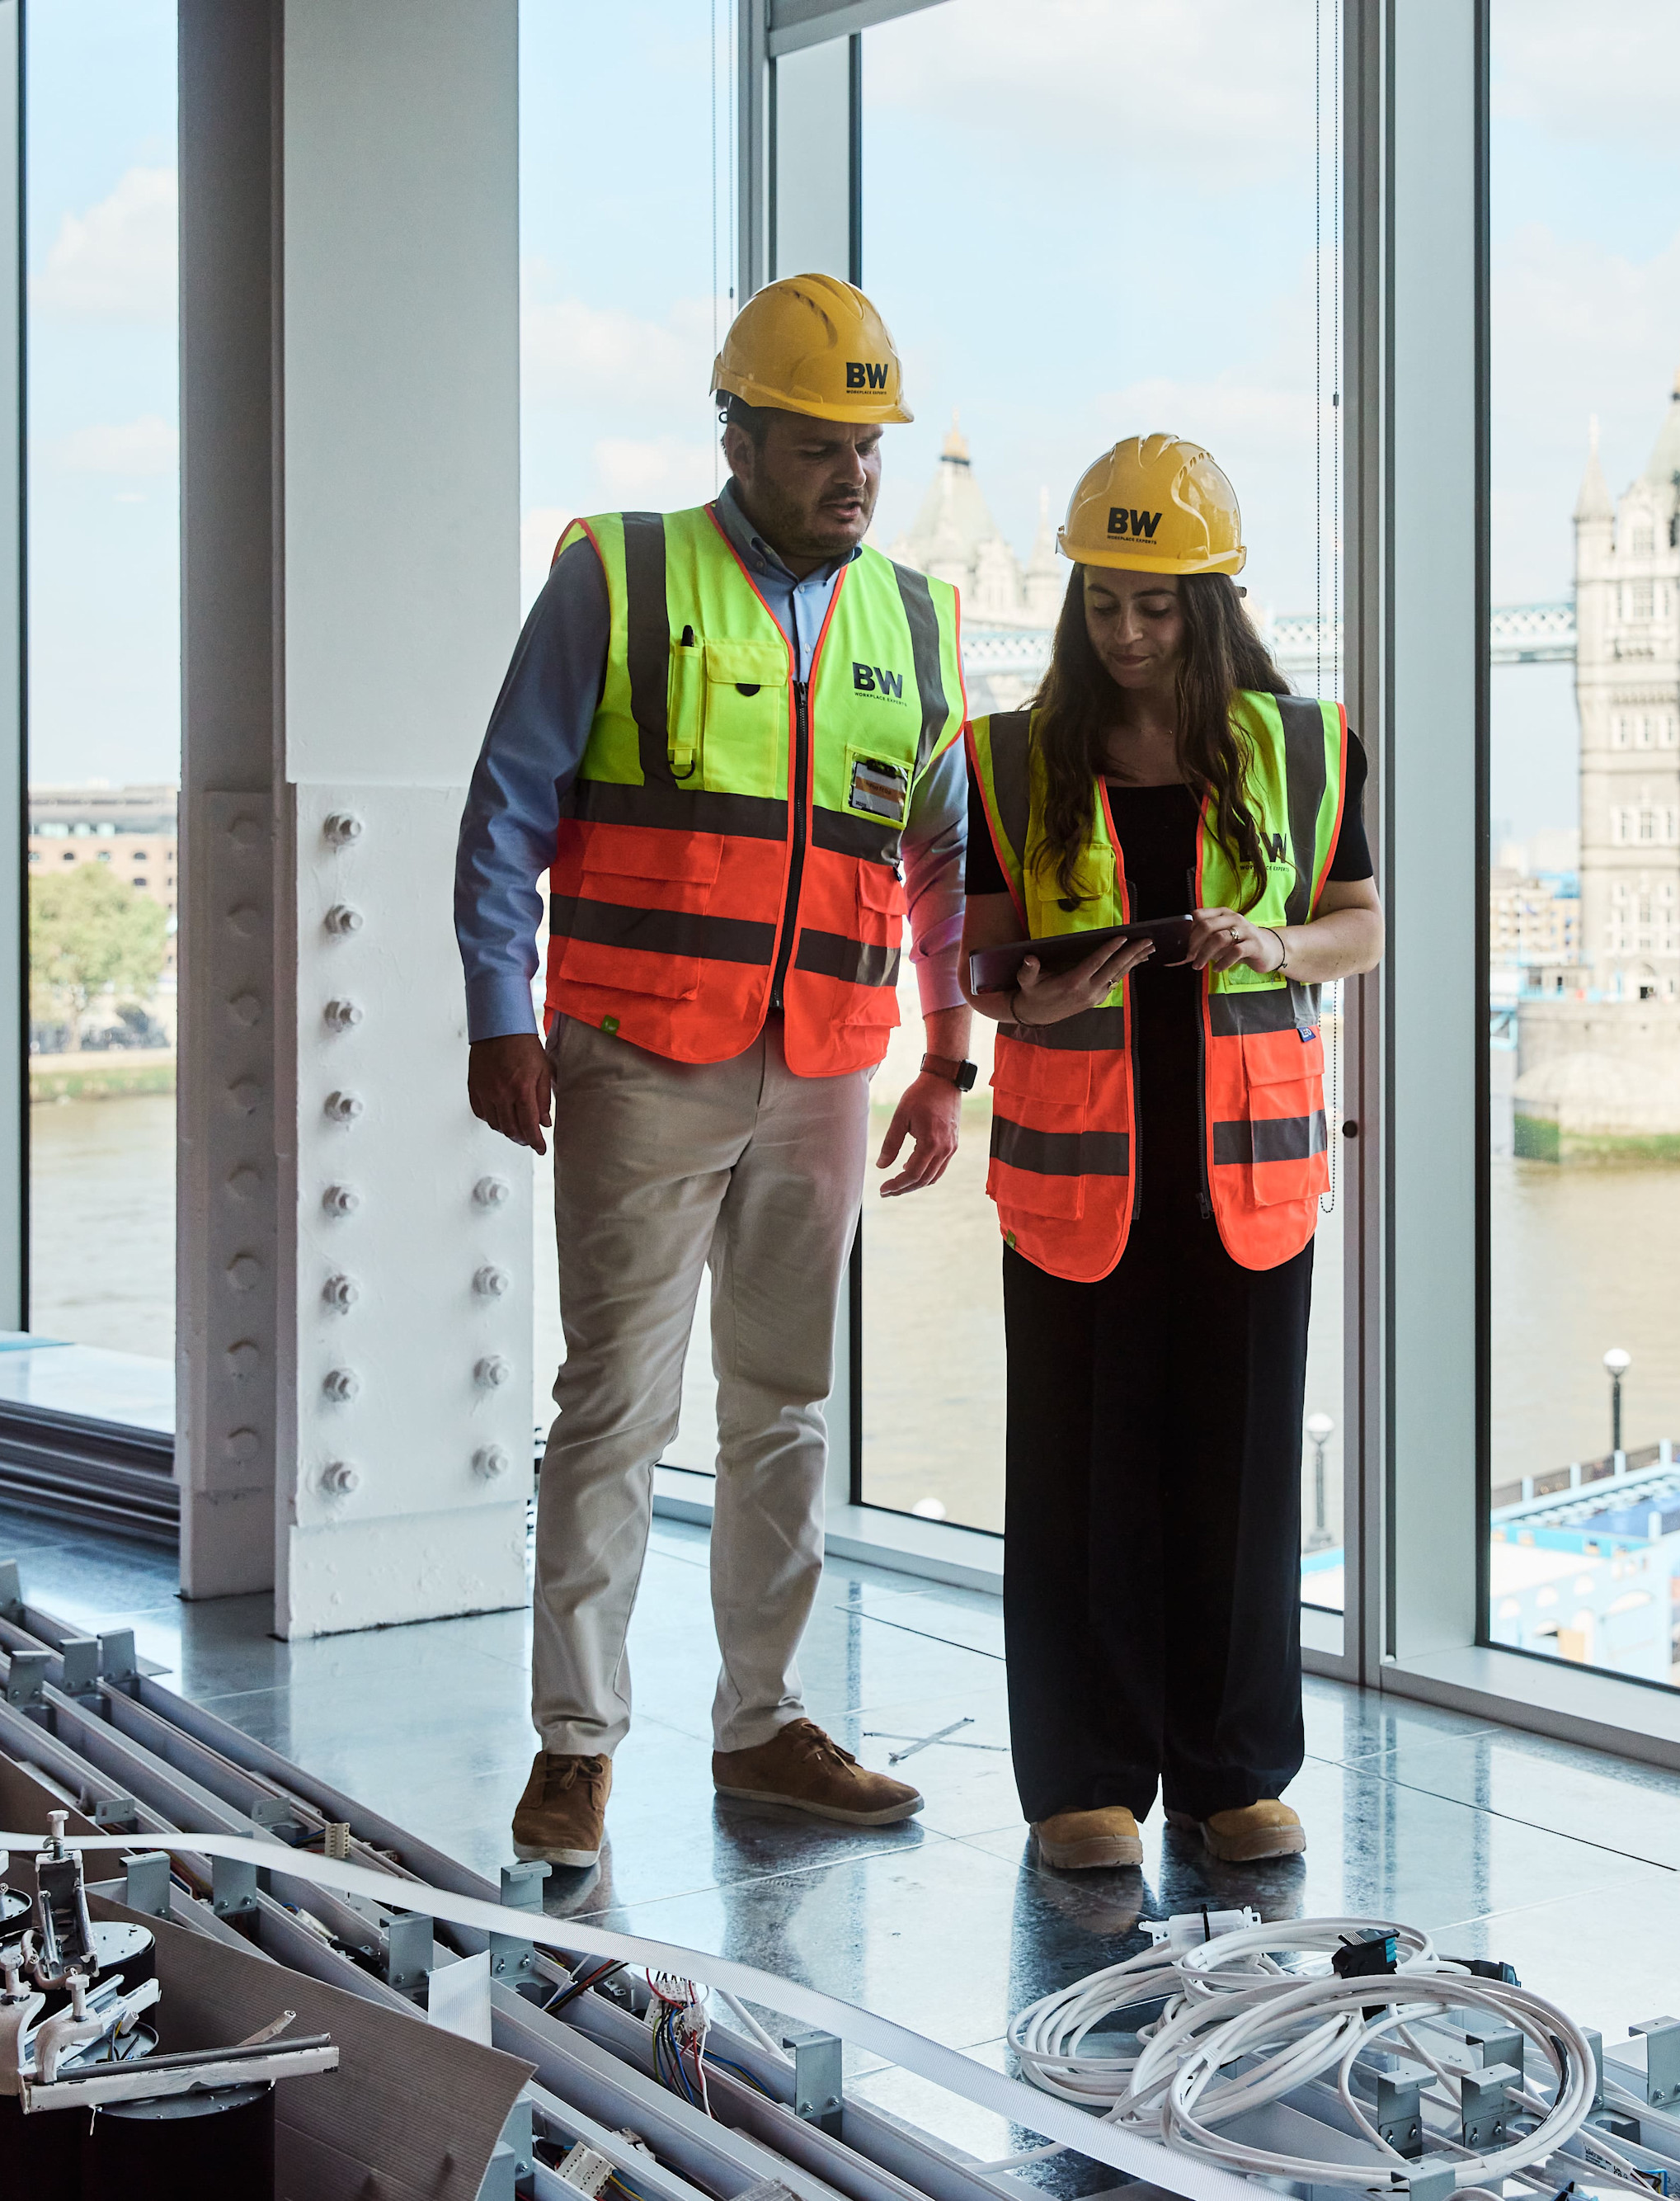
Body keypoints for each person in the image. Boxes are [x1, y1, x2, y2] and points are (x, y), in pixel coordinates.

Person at [455, 275, 978, 1869]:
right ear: (737, 437)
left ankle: (763, 1729)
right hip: (638, 1057)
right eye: (819, 444)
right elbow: (508, 808)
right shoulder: (619, 576)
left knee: (788, 1407)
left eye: (870, 447)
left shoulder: (913, 619)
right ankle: (575, 1747)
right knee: (614, 1405)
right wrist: (498, 1011)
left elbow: (944, 859)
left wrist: (948, 1052)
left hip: (825, 1064)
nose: (853, 474)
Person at [960, 434, 1384, 1873]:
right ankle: (1083, 1781)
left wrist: (1275, 942)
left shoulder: (1309, 748)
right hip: (1077, 1172)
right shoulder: (1010, 758)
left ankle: (1231, 1774)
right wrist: (1035, 994)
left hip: (1246, 1171)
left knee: (1238, 1480)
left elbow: (1361, 925)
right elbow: (982, 963)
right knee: (1075, 1482)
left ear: (1213, 604)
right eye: (1102, 604)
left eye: (1155, 606)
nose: (1127, 634)